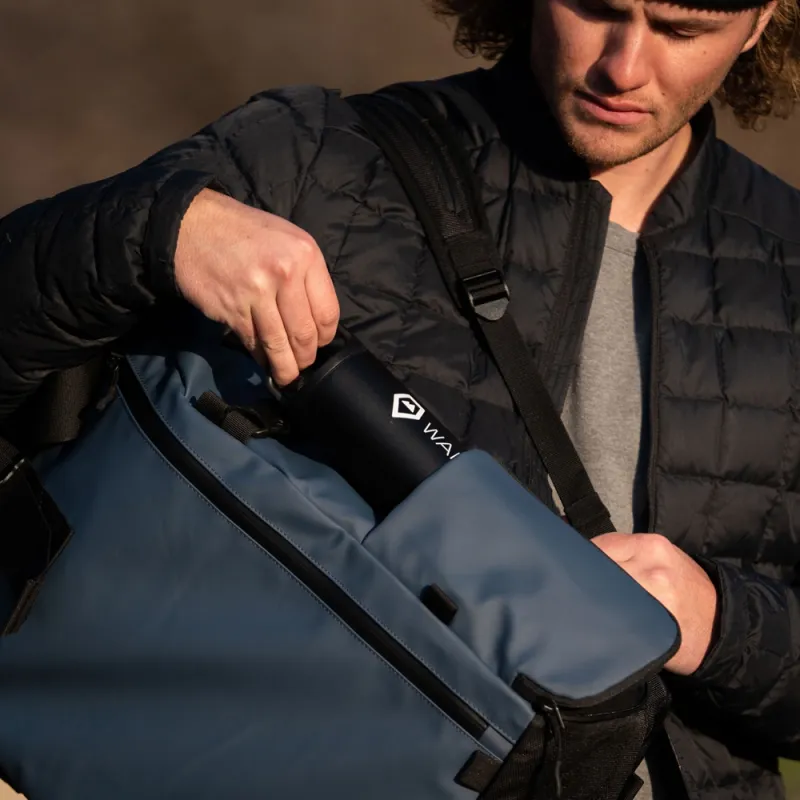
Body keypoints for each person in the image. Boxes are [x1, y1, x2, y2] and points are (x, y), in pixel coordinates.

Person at [1, 0, 799, 796]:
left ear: (763, 19)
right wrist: (160, 229)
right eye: (595, 6)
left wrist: (721, 624)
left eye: (681, 30)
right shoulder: (318, 160)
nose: (622, 67)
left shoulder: (788, 262)